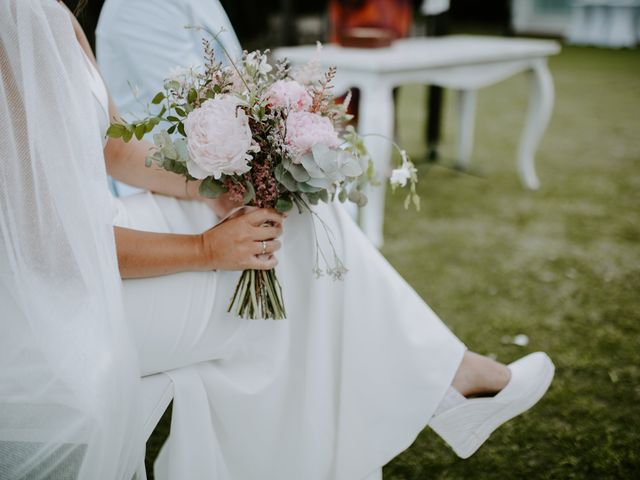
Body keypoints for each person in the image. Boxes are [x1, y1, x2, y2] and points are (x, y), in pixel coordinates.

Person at [0, 1, 553, 479]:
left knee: (290, 213)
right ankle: (448, 380)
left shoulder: (53, 17)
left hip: (98, 249)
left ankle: (446, 378)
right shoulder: (18, 20)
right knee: (286, 269)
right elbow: (48, 246)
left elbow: (113, 150)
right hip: (60, 307)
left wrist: (214, 182)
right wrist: (205, 250)